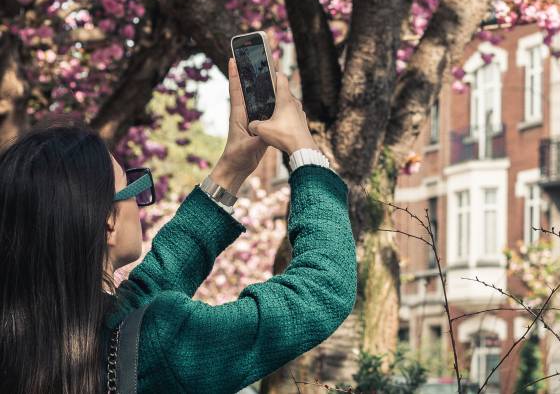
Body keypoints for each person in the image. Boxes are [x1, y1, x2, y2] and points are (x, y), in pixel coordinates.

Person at [0, 59, 357, 393]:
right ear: (108, 220)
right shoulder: (165, 348)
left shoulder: (23, 342)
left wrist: (232, 167)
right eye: (133, 187)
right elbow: (322, 290)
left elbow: (138, 306)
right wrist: (304, 149)